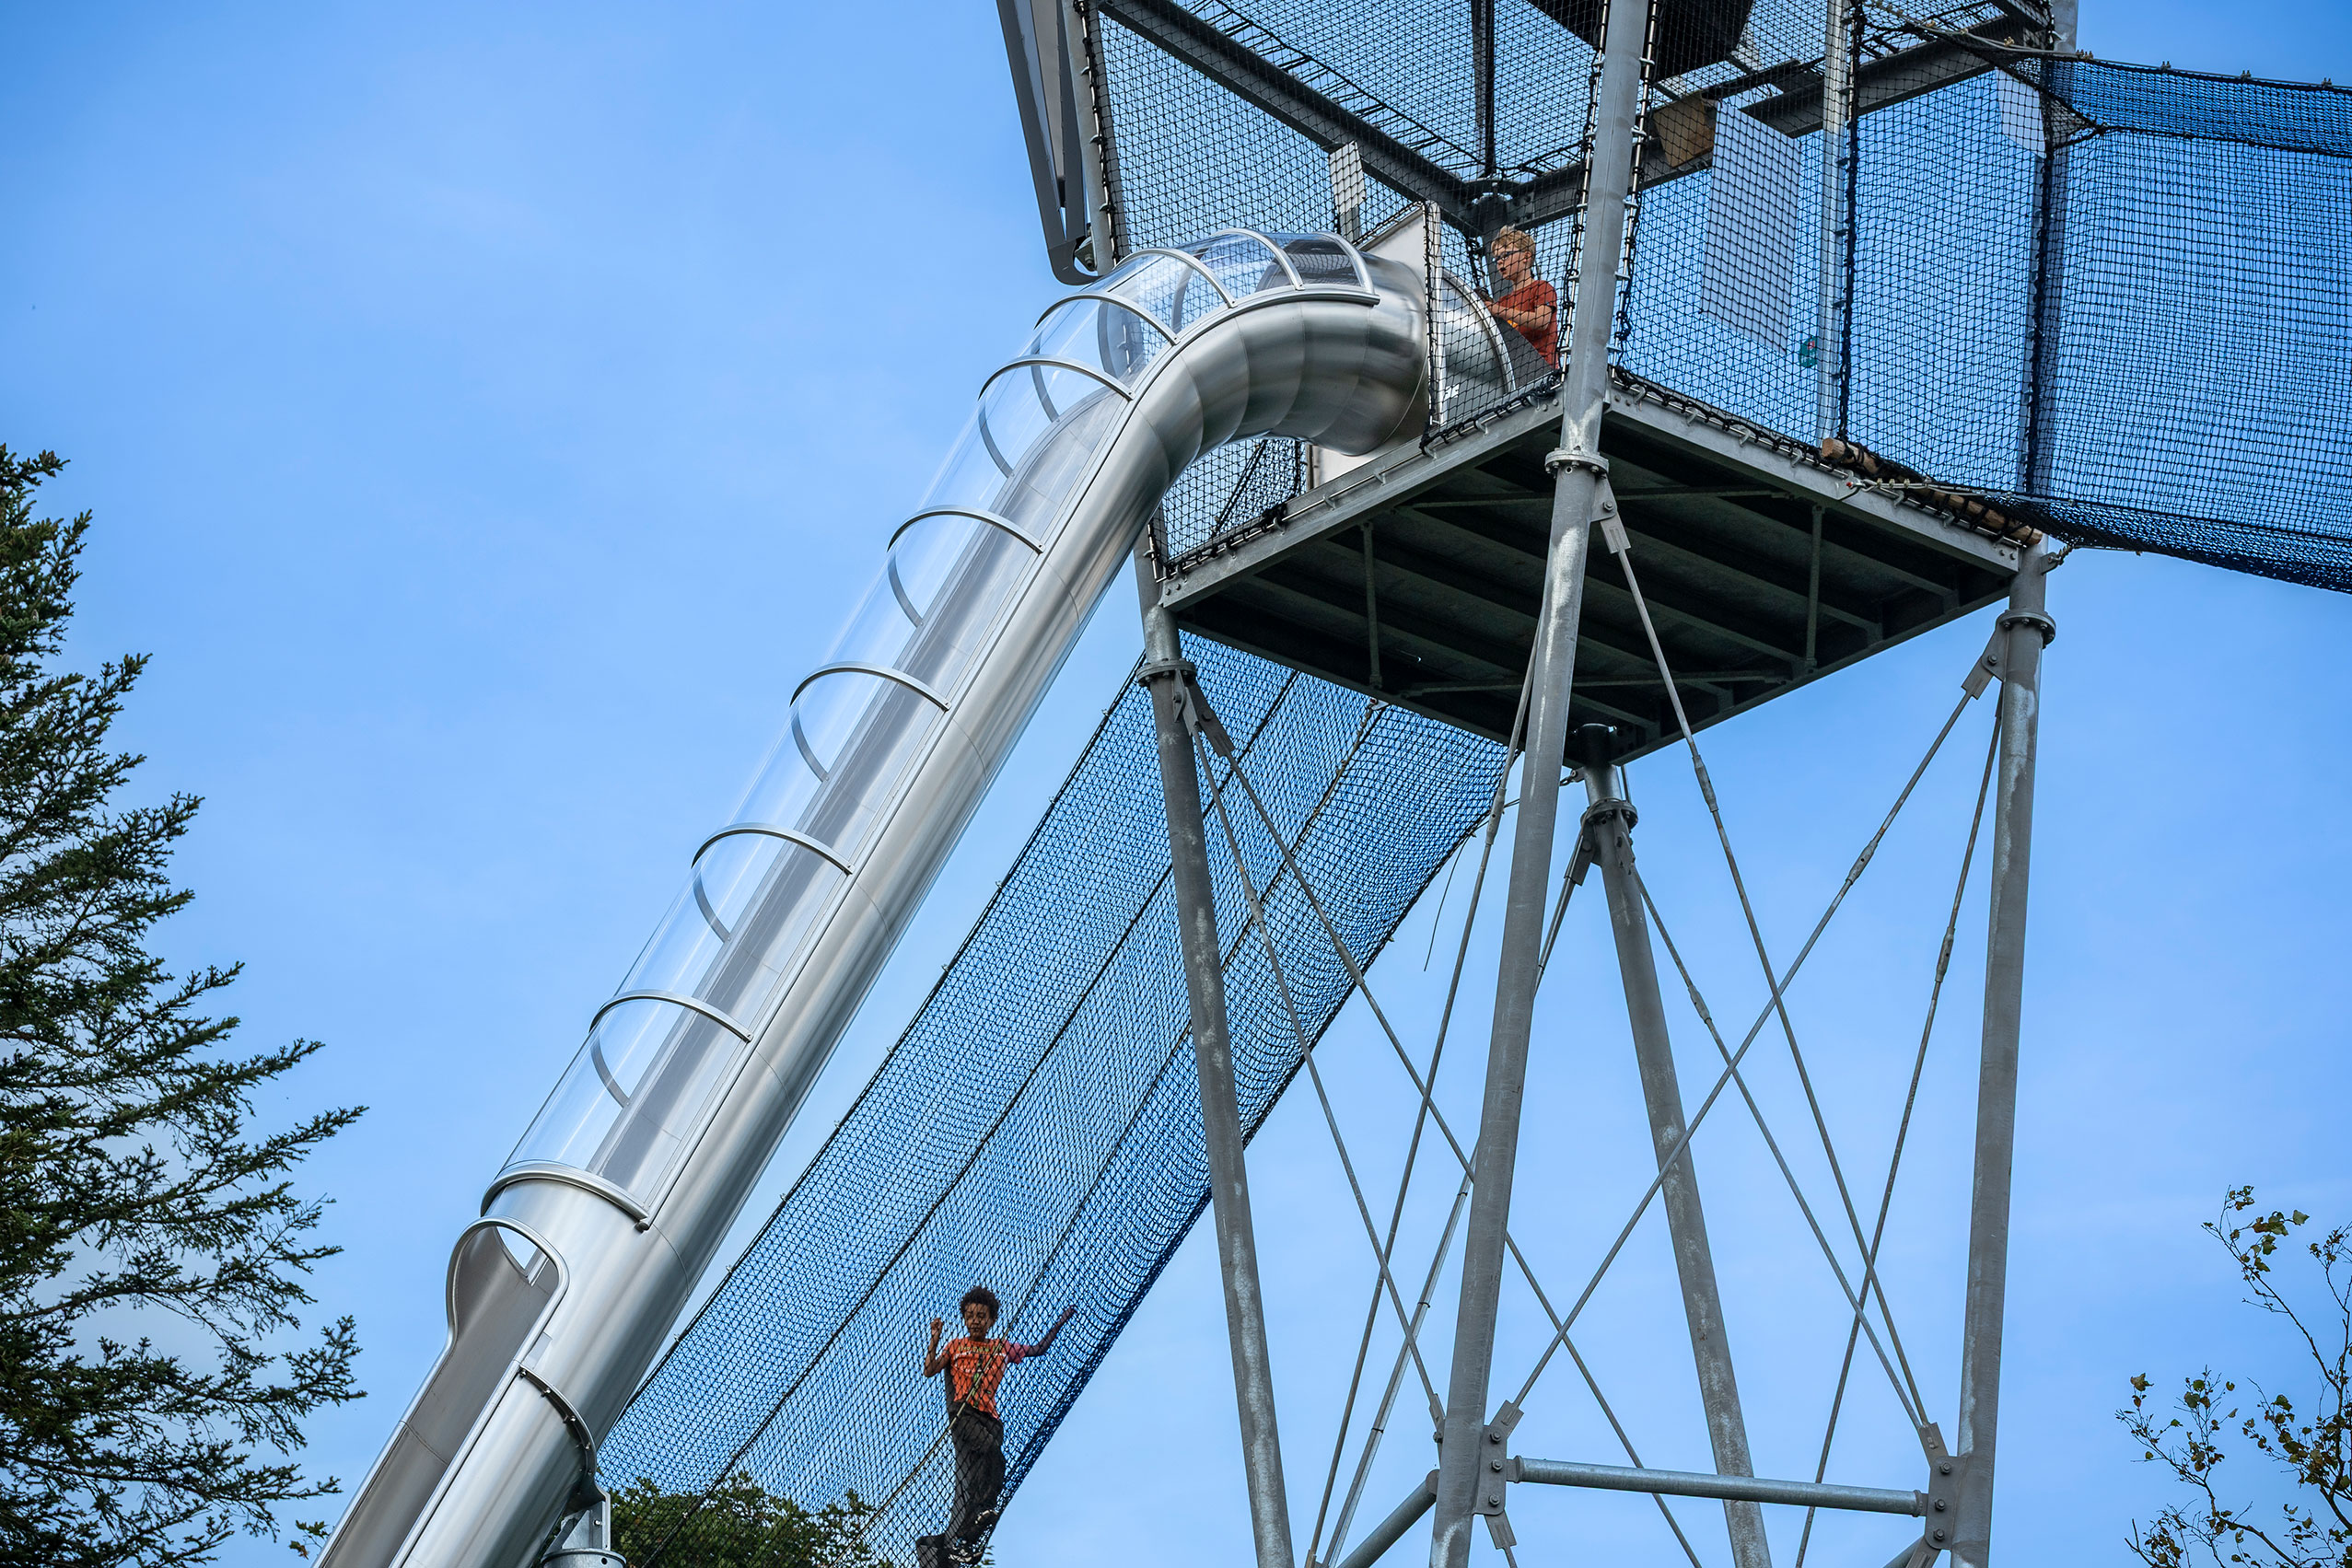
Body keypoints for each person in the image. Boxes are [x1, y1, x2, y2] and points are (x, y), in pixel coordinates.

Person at [914, 1288, 1075, 1568]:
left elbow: (1038, 1349)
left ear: (991, 1320)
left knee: (994, 1467)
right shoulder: (956, 1346)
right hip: (964, 1413)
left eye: (981, 1316)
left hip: (991, 1419)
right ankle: (979, 1514)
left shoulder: (1000, 1347)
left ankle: (966, 1541)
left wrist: (1059, 1323)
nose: (975, 1321)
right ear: (964, 1318)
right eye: (970, 1316)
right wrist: (934, 1339)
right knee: (988, 1451)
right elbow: (929, 1370)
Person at [1485, 226, 1559, 370]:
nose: (1499, 262)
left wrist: (1498, 311)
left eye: (1505, 255)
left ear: (1526, 257)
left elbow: (1541, 321)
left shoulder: (1542, 287)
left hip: (1542, 369)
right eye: (1497, 258)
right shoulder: (1503, 302)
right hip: (1513, 371)